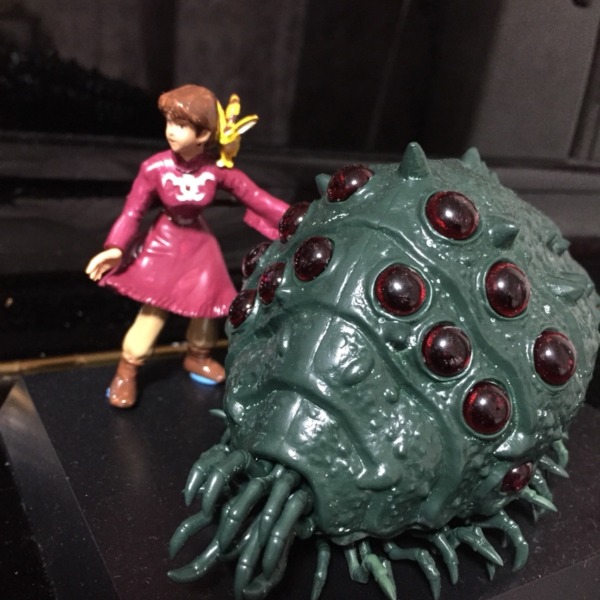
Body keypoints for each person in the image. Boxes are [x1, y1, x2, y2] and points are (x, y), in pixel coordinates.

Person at [86, 84, 288, 409]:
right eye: (169, 122)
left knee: (206, 303)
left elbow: (255, 197)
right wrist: (116, 247)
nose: (170, 131)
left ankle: (198, 355)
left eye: (180, 125)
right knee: (153, 309)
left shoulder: (216, 169)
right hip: (163, 242)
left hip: (198, 244)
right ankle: (127, 370)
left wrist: (295, 218)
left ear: (203, 133)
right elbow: (132, 211)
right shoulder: (154, 168)